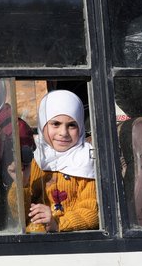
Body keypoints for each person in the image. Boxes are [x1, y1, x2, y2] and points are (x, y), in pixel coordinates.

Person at [7, 90, 98, 233]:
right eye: (55, 124)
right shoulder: (34, 158)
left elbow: (92, 213)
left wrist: (57, 223)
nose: (63, 133)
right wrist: (21, 183)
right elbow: (17, 216)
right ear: (43, 124)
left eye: (72, 125)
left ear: (80, 126)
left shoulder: (86, 159)